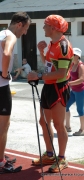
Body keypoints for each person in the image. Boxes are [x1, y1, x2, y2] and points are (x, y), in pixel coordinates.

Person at [27, 14, 73, 173]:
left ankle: (62, 159)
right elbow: (49, 64)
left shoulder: (63, 46)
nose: (43, 28)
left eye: (45, 25)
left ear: (53, 28)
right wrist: (41, 51)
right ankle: (49, 154)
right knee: (44, 122)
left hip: (59, 87)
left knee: (59, 125)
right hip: (48, 86)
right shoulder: (53, 43)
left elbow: (61, 73)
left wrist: (39, 76)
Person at [0, 12, 31, 170]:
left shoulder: (0, 34)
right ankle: (0, 163)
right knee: (4, 125)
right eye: (25, 29)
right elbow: (6, 54)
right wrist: (5, 74)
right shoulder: (10, 36)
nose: (25, 33)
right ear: (19, 24)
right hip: (1, 85)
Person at [65, 48, 84, 136]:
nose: (70, 55)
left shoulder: (81, 66)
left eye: (72, 54)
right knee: (65, 106)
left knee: (80, 110)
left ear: (77, 56)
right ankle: (67, 126)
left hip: (81, 91)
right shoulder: (73, 64)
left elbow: (81, 79)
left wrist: (69, 83)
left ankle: (82, 130)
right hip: (74, 90)